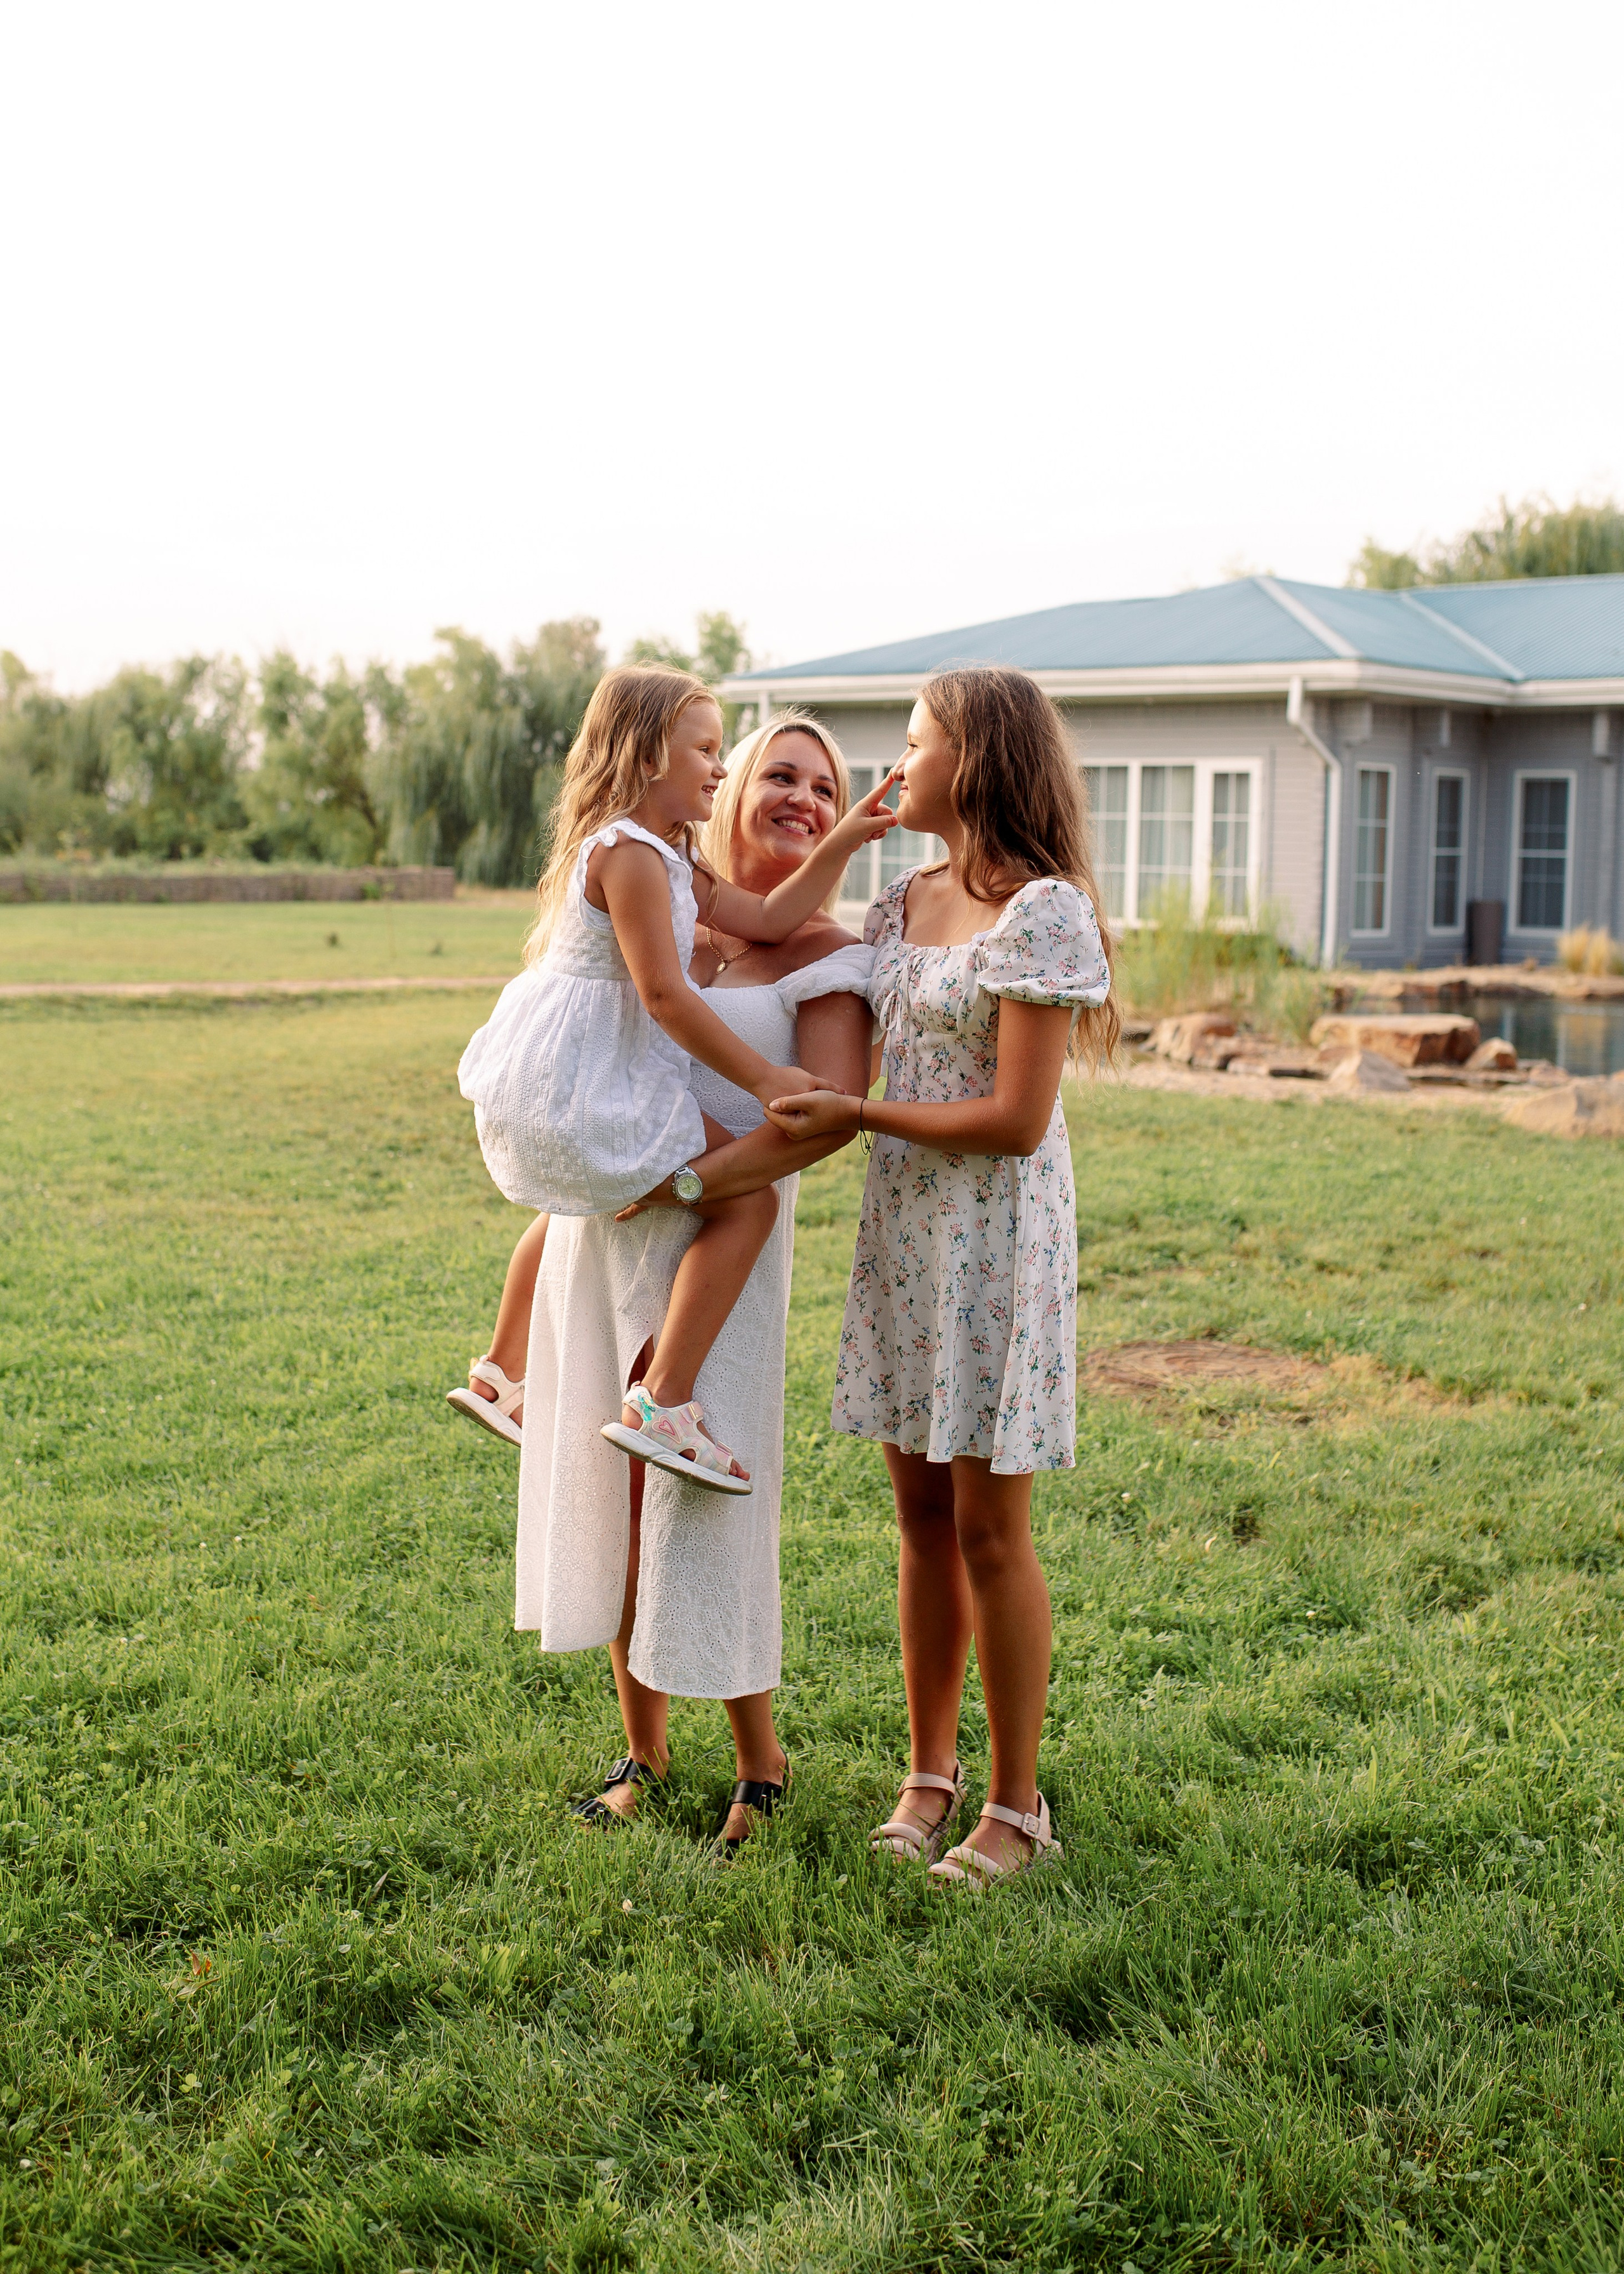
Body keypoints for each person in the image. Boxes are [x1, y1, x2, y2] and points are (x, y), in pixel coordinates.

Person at [766, 666, 1118, 1889]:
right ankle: (930, 1772)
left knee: (987, 1525)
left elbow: (1020, 1120)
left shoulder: (1044, 913)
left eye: (915, 745)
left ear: (976, 759)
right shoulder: (897, 902)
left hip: (996, 1244)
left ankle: (1019, 1805)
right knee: (917, 1517)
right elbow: (765, 939)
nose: (896, 764)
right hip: (906, 1240)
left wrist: (861, 1107)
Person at [516, 708, 875, 1852]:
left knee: (706, 1504)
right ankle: (641, 1749)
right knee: (612, 1489)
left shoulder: (826, 951)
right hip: (606, 1228)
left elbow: (816, 1126)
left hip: (713, 1239)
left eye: (826, 790)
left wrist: (684, 1188)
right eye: (781, 773)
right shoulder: (664, 890)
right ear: (724, 786)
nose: (802, 801)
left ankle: (759, 1764)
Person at [450, 666, 894, 1490]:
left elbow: (766, 919)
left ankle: (506, 1371)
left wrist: (841, 840)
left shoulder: (670, 860)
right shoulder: (631, 857)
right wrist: (765, 1077)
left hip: (579, 1080)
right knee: (747, 1200)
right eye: (706, 750)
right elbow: (664, 996)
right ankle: (664, 1402)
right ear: (648, 755)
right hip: (584, 1085)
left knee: (591, 1209)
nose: (719, 769)